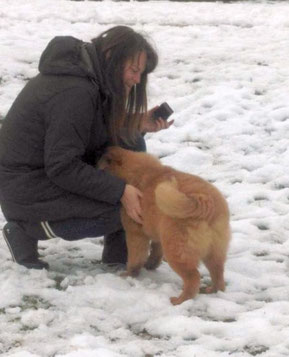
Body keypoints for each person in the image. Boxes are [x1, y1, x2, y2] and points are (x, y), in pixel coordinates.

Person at [0, 26, 173, 270]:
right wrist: (120, 190)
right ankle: (25, 229)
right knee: (120, 207)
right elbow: (62, 166)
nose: (136, 80)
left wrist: (136, 123)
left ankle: (118, 251)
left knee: (131, 141)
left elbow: (90, 129)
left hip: (45, 176)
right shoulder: (74, 92)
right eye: (134, 70)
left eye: (140, 73)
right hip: (27, 191)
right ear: (112, 56)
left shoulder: (86, 77)